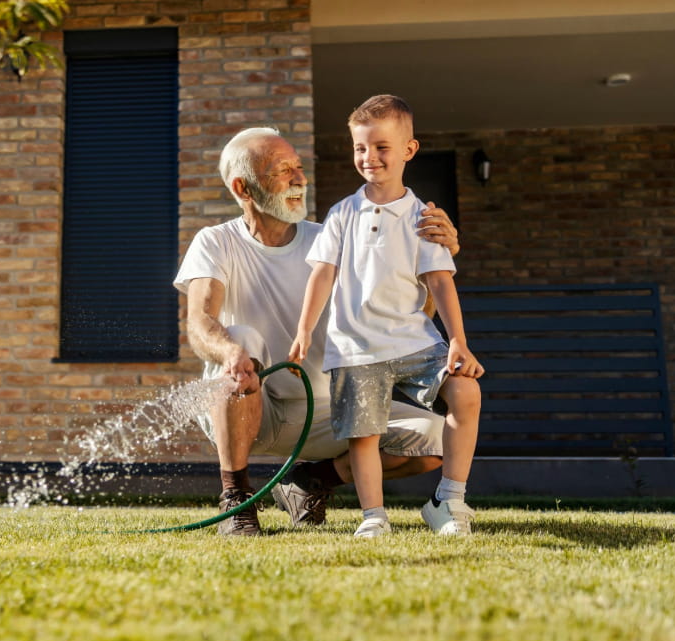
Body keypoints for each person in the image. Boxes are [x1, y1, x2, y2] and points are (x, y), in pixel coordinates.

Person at [172, 126, 460, 536]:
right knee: (241, 339)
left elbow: (402, 313)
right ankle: (236, 499)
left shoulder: (331, 238)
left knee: (436, 440)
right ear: (244, 188)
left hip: (328, 412)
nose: (299, 178)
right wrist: (230, 354)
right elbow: (201, 323)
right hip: (251, 402)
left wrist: (437, 256)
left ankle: (311, 482)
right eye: (282, 170)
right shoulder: (216, 242)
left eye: (299, 167)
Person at [289, 94, 483, 538]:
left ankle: (449, 502)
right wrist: (303, 331)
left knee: (466, 393)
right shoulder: (342, 214)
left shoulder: (424, 217)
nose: (369, 157)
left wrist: (457, 340)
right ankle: (373, 516)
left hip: (415, 341)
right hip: (356, 348)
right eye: (360, 147)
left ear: (408, 151)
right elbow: (322, 276)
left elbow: (439, 282)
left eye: (381, 147)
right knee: (365, 435)